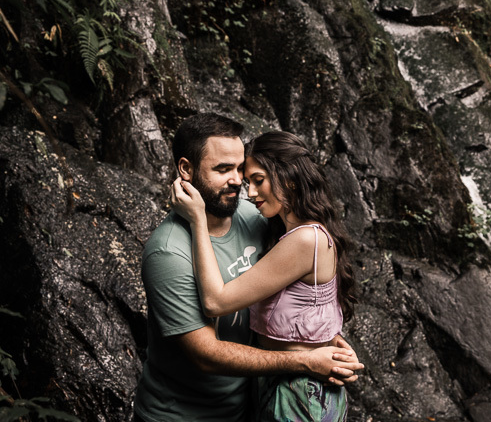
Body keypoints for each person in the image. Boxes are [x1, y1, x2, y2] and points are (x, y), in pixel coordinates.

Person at [134, 115, 362, 422]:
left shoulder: (255, 215)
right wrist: (306, 359)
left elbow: (301, 287)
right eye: (222, 169)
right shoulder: (168, 252)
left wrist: (322, 340)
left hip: (252, 405)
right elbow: (206, 355)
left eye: (240, 169)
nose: (239, 182)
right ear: (186, 170)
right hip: (184, 415)